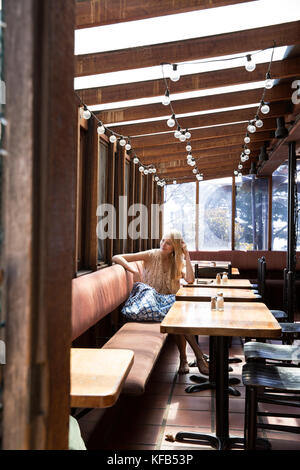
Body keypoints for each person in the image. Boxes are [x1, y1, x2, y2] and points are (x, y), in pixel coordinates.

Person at [112, 229, 209, 376]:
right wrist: (133, 270)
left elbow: (189, 279)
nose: (163, 244)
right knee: (176, 316)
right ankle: (195, 357)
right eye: (163, 240)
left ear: (175, 248)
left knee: (176, 316)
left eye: (168, 243)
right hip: (151, 305)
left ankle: (186, 359)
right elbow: (117, 257)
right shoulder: (152, 254)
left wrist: (187, 254)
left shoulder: (176, 262)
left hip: (167, 306)